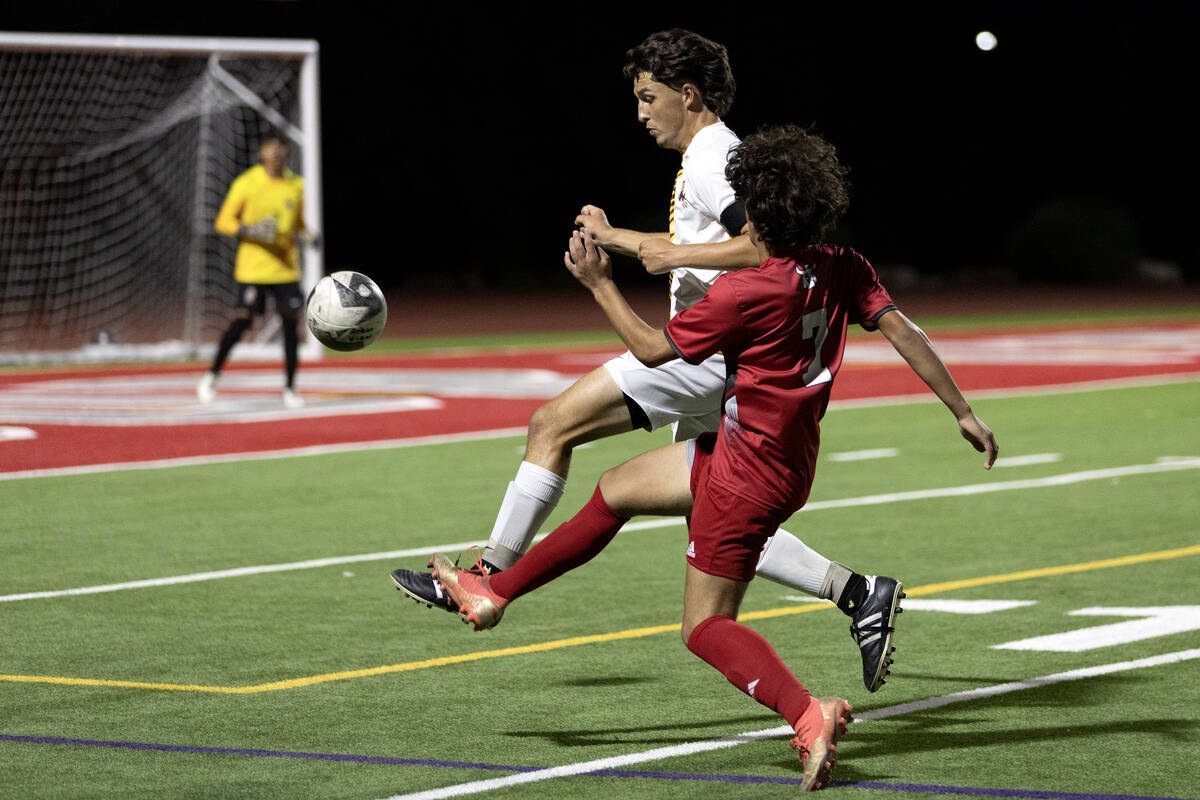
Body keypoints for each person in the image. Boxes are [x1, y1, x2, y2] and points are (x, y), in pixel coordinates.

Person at [426, 124, 998, 790]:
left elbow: (647, 348)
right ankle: (494, 590)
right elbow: (904, 330)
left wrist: (598, 283)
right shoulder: (846, 264)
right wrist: (962, 410)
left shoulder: (746, 291)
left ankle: (807, 713)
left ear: (756, 207)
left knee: (705, 627)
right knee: (616, 489)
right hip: (781, 462)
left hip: (743, 474)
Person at [392, 29, 906, 694]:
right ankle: (858, 591)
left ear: (686, 94)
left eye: (648, 96)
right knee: (712, 513)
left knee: (553, 424)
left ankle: (487, 578)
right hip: (725, 363)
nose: (640, 110)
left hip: (705, 356)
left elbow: (763, 244)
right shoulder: (709, 152)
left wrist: (657, 255)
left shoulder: (716, 154)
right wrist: (632, 240)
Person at [196, 132, 315, 408]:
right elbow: (223, 221)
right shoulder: (247, 183)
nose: (276, 153)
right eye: (270, 147)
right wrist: (248, 230)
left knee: (290, 325)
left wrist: (308, 235)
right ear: (261, 152)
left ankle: (290, 388)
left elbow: (298, 223)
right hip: (253, 269)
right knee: (242, 322)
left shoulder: (295, 185)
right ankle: (211, 376)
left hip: (285, 269)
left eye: (281, 148)